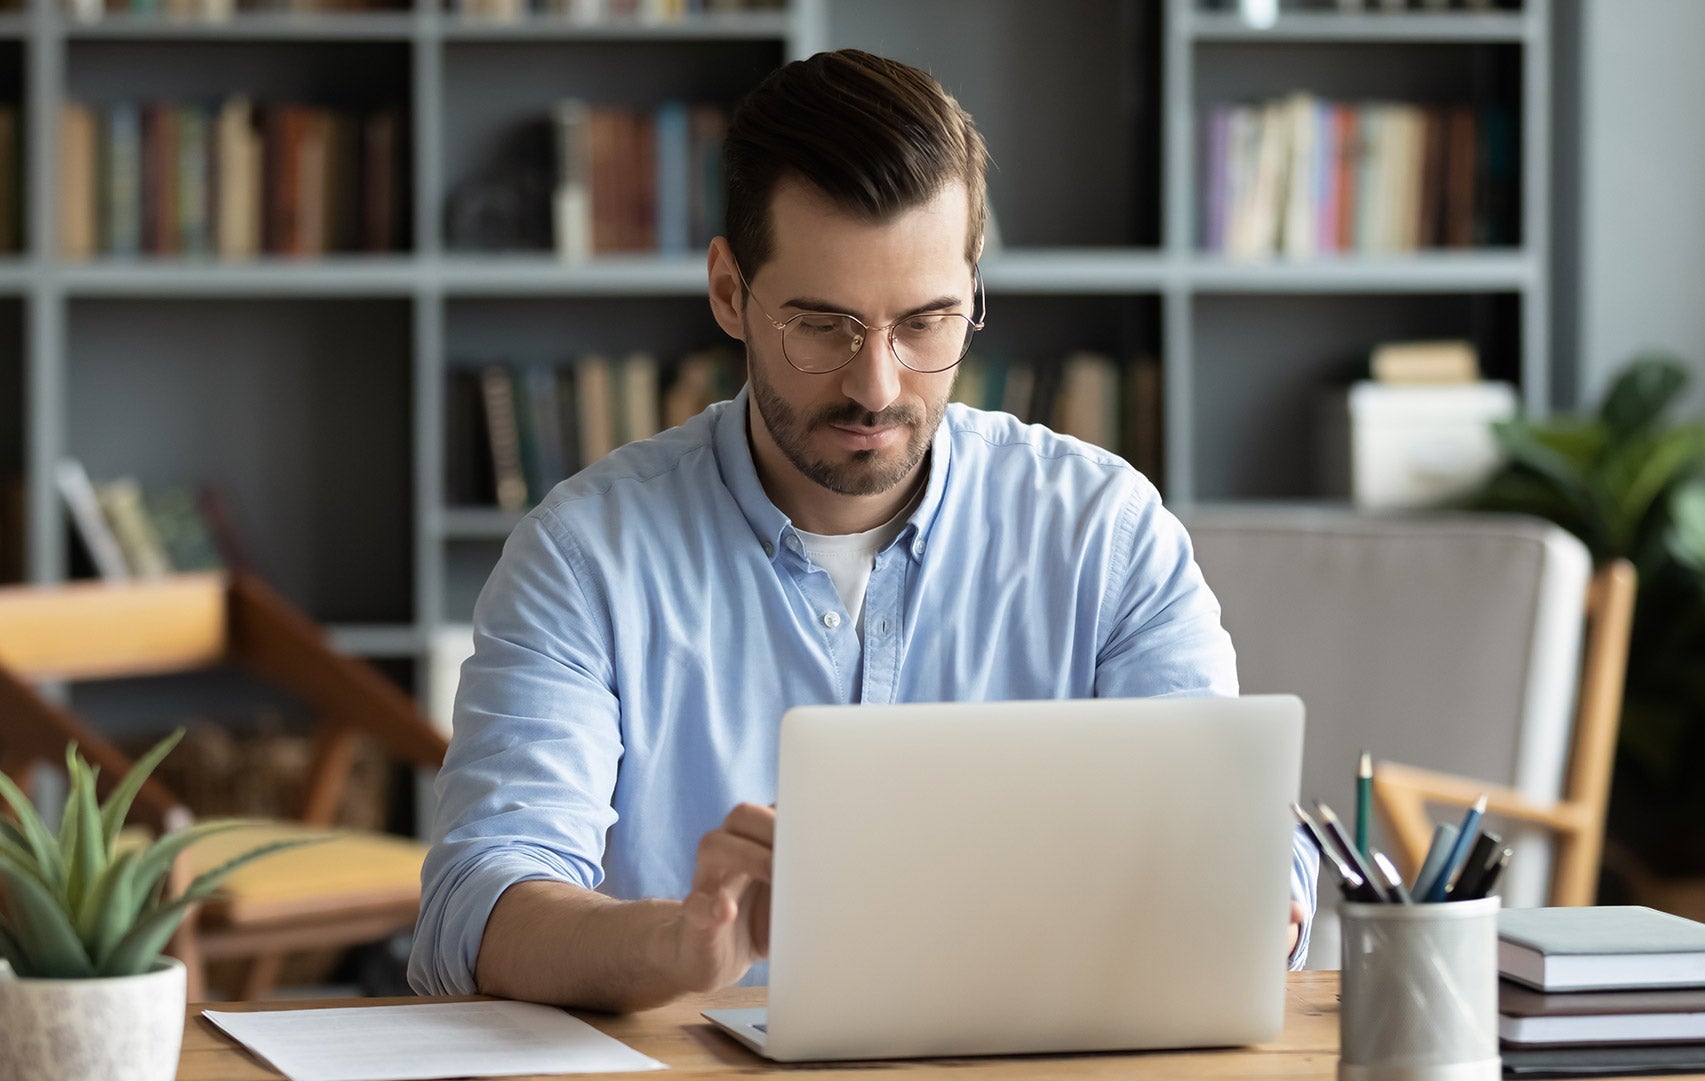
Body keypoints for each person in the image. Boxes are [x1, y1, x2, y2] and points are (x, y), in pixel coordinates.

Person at [410, 48, 1319, 1010]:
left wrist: (1258, 890)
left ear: (973, 296)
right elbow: (476, 908)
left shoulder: (1106, 532)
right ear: (729, 292)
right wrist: (675, 945)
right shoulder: (585, 556)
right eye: (823, 324)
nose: (876, 386)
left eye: (926, 324)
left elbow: (1231, 833)